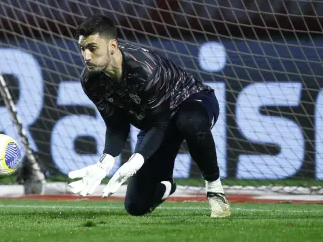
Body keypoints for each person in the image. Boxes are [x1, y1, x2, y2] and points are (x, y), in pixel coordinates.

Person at [67, 15, 231, 218]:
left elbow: (161, 123)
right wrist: (105, 163)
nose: (86, 57)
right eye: (82, 48)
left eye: (92, 48)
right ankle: (166, 185)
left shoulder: (145, 69)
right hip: (156, 121)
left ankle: (215, 189)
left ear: (113, 46)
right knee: (136, 207)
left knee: (190, 122)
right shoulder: (90, 81)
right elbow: (117, 126)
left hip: (190, 101)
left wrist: (135, 160)